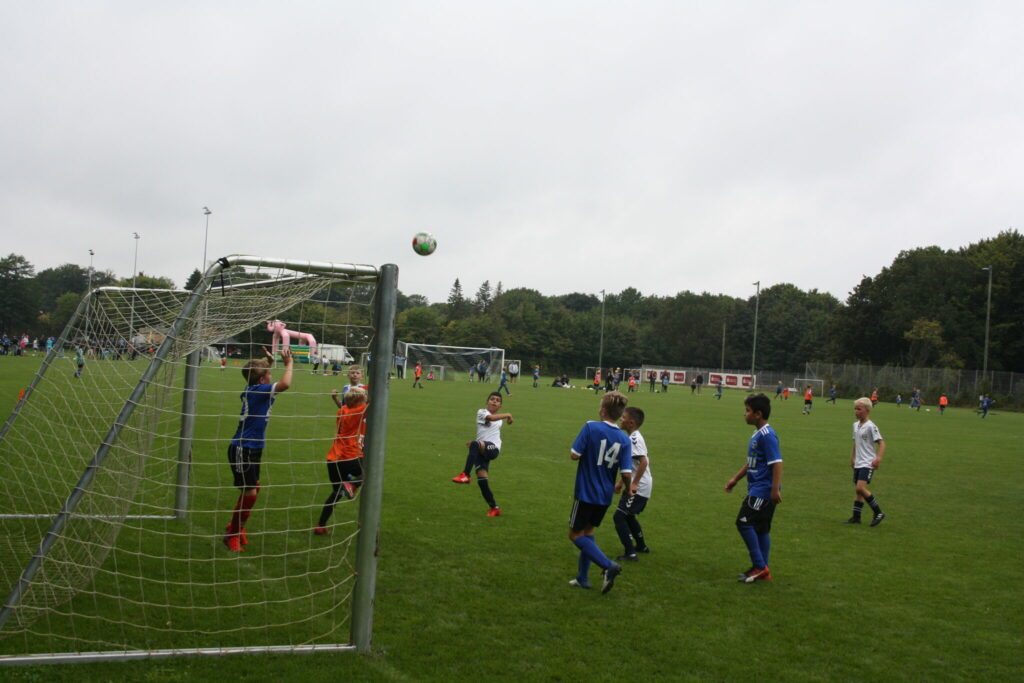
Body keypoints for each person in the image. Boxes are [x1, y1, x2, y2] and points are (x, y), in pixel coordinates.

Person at [223, 346, 294, 552]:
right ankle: (233, 534)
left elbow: (261, 378)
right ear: (262, 380)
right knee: (251, 493)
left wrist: (268, 364)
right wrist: (289, 364)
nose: (271, 377)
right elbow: (285, 384)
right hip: (242, 448)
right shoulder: (259, 391)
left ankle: (236, 527)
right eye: (269, 374)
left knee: (252, 489)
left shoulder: (253, 388)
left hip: (254, 447)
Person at [568, 391, 632, 594]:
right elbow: (626, 472)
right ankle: (583, 578)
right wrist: (628, 490)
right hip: (604, 496)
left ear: (603, 410)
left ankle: (608, 565)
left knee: (574, 535)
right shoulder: (624, 439)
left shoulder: (590, 427)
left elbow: (574, 455)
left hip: (586, 492)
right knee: (588, 532)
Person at [724, 393, 782, 583]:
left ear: (758, 414)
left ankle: (759, 566)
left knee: (743, 522)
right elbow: (752, 463)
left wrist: (774, 490)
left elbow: (777, 463)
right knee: (761, 529)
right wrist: (735, 479)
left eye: (747, 411)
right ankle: (763, 568)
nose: (744, 414)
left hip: (762, 490)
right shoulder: (757, 434)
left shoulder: (767, 435)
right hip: (759, 488)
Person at [451, 391, 514, 517]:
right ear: (487, 402)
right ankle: (494, 508)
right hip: (483, 450)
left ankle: (465, 475)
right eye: (492, 399)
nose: (494, 401)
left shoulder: (499, 419)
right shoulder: (481, 412)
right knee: (482, 481)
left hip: (493, 449)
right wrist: (508, 415)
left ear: (500, 406)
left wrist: (477, 444)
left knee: (475, 444)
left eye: (497, 400)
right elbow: (489, 419)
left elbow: (491, 423)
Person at [314, 386, 367, 534]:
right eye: (363, 398)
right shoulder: (357, 412)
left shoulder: (342, 410)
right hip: (349, 456)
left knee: (336, 493)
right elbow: (372, 405)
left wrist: (361, 388)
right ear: (358, 402)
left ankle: (321, 525)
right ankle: (351, 483)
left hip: (332, 458)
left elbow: (357, 401)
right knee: (370, 473)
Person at [613, 406, 651, 561]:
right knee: (629, 516)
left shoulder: (634, 438)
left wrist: (633, 484)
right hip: (641, 484)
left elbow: (643, 461)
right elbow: (632, 464)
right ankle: (641, 545)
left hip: (639, 486)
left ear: (631, 422)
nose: (620, 419)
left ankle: (631, 552)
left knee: (619, 517)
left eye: (623, 417)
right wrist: (621, 482)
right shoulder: (632, 437)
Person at [845, 397, 886, 526]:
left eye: (859, 409)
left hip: (868, 462)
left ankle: (878, 512)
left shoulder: (871, 426)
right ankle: (856, 517)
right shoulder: (855, 425)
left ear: (867, 410)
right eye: (855, 409)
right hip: (858, 462)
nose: (856, 411)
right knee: (858, 491)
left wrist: (878, 458)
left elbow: (882, 443)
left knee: (860, 487)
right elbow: (856, 443)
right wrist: (852, 457)